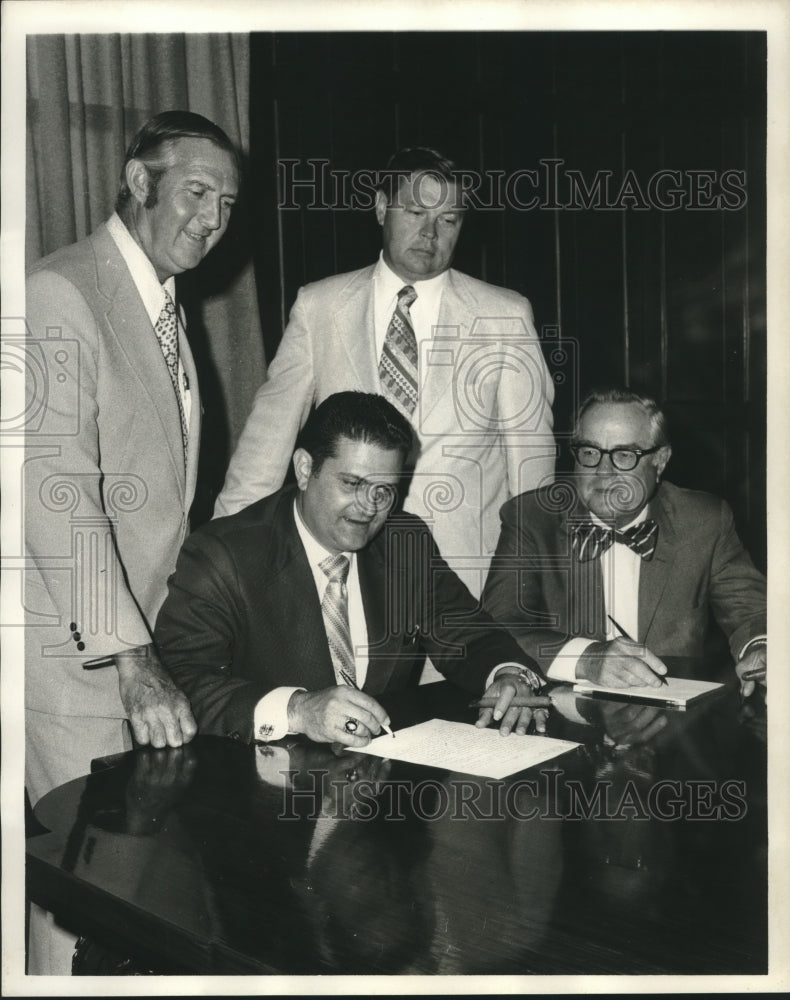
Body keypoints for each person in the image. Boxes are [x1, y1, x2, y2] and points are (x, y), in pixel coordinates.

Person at [213, 146, 556, 600]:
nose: (430, 233)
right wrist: (220, 550)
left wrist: (530, 586)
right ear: (380, 208)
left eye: (449, 219)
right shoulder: (320, 306)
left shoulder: (505, 316)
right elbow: (265, 445)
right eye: (415, 211)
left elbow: (531, 467)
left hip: (467, 579)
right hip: (343, 573)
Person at [24, 110, 240, 807]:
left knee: (129, 892)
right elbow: (54, 489)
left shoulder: (169, 307)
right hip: (79, 670)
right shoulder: (59, 291)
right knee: (81, 900)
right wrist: (131, 656)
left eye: (228, 204)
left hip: (148, 663)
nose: (213, 219)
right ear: (139, 181)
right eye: (198, 192)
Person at [155, 392, 547, 745]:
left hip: (374, 793)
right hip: (258, 793)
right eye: (351, 483)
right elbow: (181, 681)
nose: (369, 506)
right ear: (305, 469)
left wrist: (508, 675)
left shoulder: (403, 542)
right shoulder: (223, 554)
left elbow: (469, 635)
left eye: (384, 490)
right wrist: (297, 709)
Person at [482, 388, 766, 692]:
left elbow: (750, 611)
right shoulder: (532, 518)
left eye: (624, 455)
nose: (604, 471)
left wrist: (760, 649)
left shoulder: (703, 520)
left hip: (674, 722)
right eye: (590, 452)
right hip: (561, 711)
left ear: (660, 460)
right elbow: (496, 625)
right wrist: (585, 658)